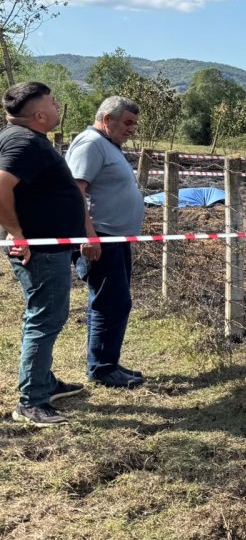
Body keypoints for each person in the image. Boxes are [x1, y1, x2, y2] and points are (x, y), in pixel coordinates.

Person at [0, 82, 88, 426]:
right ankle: (32, 401)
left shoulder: (24, 139)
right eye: (53, 102)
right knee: (45, 318)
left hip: (47, 247)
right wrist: (18, 233)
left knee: (43, 315)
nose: (57, 105)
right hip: (40, 249)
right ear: (39, 114)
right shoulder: (23, 142)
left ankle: (44, 382)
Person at [64, 96, 146, 389]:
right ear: (107, 119)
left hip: (115, 238)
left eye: (134, 124)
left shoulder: (107, 144)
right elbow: (75, 192)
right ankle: (101, 368)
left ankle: (106, 363)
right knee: (111, 303)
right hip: (101, 238)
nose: (132, 129)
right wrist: (88, 236)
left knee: (113, 302)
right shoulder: (90, 144)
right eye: (127, 122)